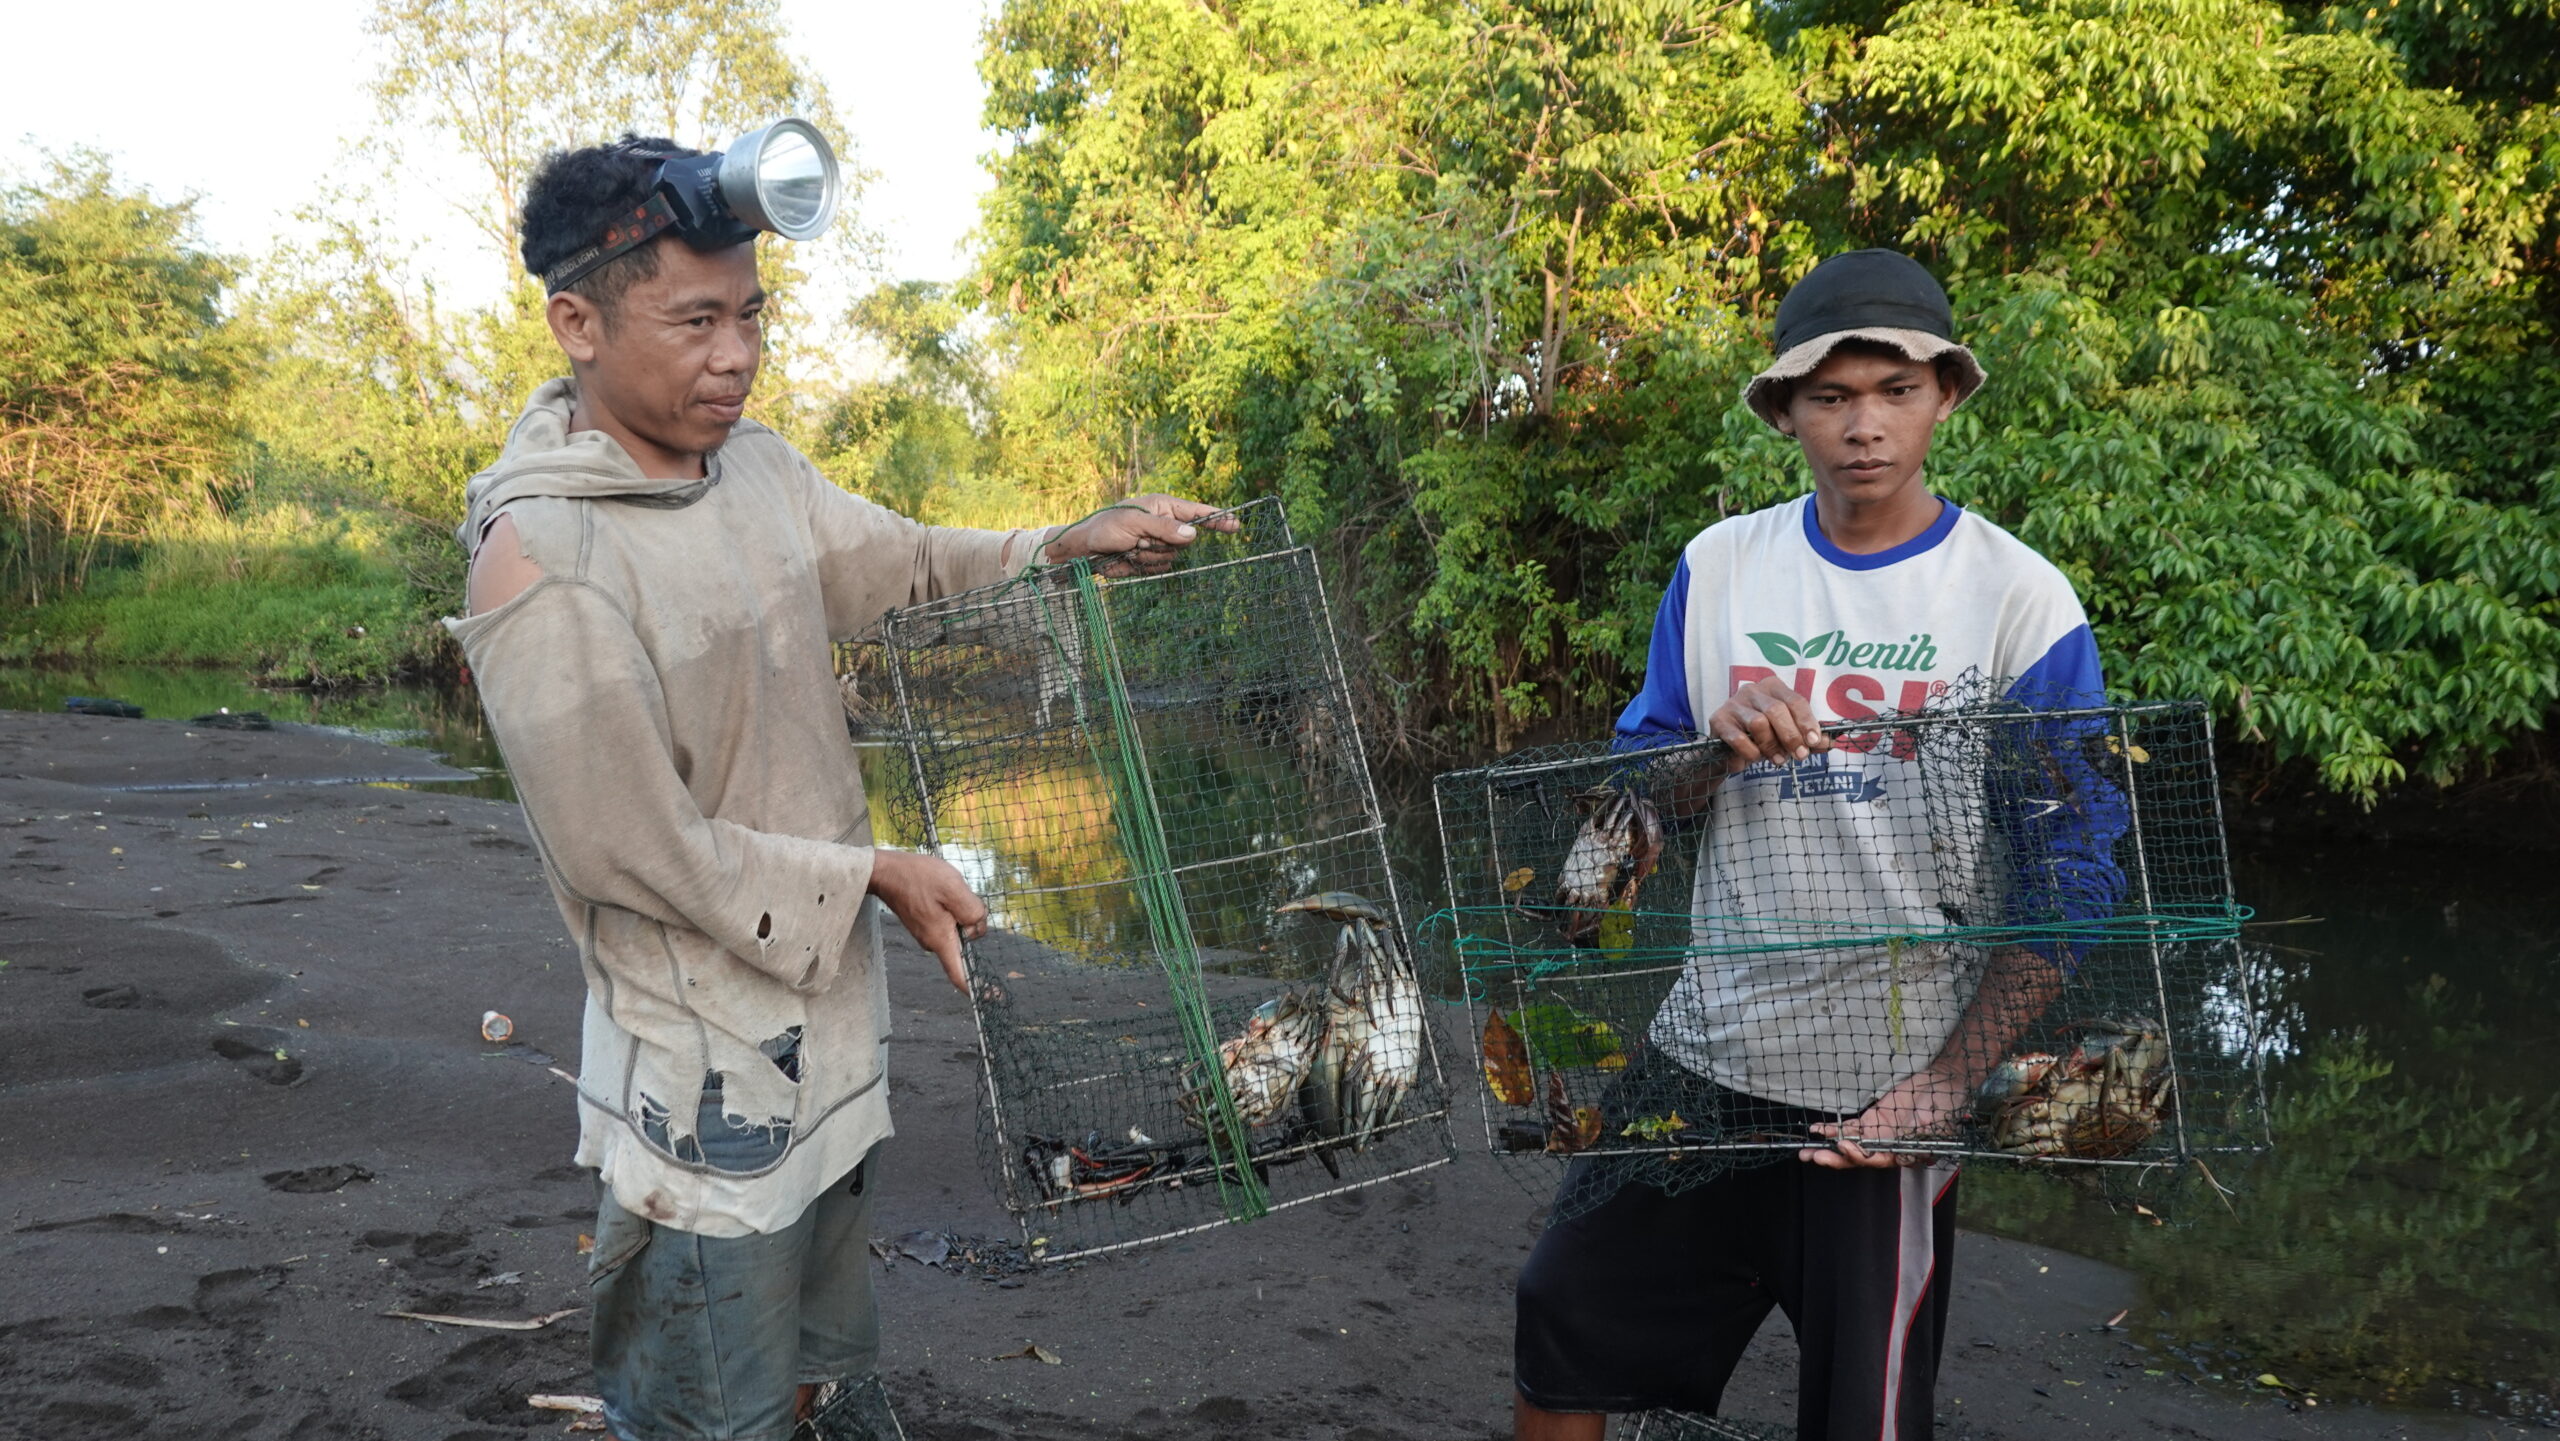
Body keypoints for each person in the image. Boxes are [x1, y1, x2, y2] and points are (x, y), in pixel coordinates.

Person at [447, 134, 1231, 1441]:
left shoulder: (752, 468)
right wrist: (876, 873)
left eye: (750, 315)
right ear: (574, 322)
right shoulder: (542, 562)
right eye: (695, 320)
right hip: (706, 1087)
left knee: (806, 1359)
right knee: (710, 1403)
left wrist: (1058, 547)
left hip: (832, 1034)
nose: (737, 354)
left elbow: (903, 563)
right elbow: (641, 853)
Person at [1512, 248, 2126, 1441]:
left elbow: (2076, 867)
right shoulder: (1721, 565)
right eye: (1831, 396)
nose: (1863, 426)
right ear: (1785, 409)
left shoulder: (2017, 598)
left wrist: (1945, 1086)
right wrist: (1708, 749)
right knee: (1562, 1315)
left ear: (1945, 396)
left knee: (1866, 1413)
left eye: (1894, 391)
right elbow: (1639, 798)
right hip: (1705, 1053)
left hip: (1881, 1090)